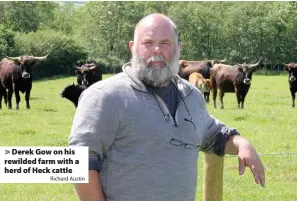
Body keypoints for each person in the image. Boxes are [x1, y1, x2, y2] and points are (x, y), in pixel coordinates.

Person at [69, 13, 265, 201]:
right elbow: (80, 161)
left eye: (165, 43)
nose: (157, 50)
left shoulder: (192, 96)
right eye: (148, 43)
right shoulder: (105, 96)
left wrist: (241, 144)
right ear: (132, 47)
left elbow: (214, 135)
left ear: (177, 49)